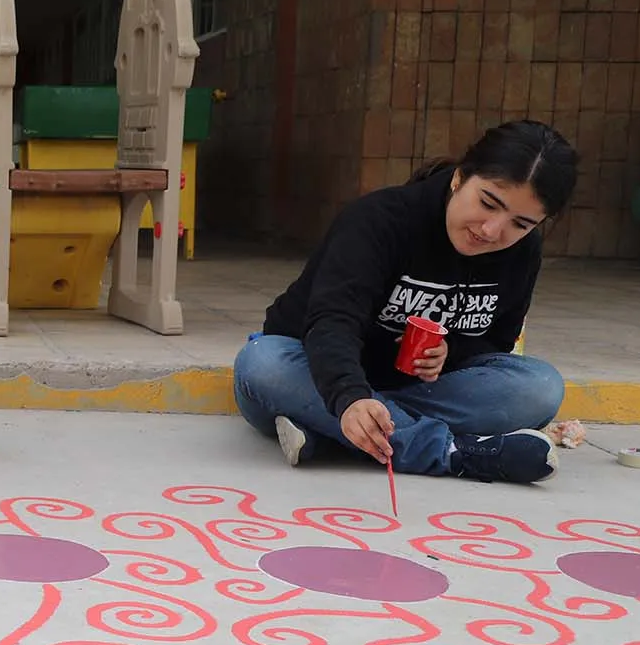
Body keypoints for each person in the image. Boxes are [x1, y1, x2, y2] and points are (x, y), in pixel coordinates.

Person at [233, 120, 578, 484]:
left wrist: (452, 351)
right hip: (316, 375)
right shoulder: (380, 220)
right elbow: (332, 320)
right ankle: (452, 453)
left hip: (412, 390)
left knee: (540, 386)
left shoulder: (522, 253)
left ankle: (334, 433)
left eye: (520, 224)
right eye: (488, 203)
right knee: (262, 362)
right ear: (460, 178)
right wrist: (349, 397)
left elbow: (497, 341)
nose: (492, 230)